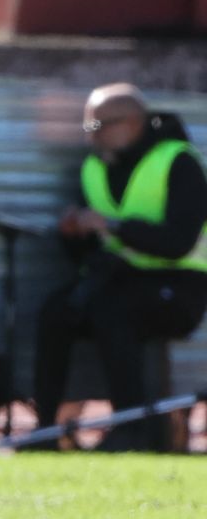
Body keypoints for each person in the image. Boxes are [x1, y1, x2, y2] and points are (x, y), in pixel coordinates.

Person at [32, 83, 207, 451]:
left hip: (179, 287)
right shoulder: (94, 168)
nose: (90, 137)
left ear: (132, 122)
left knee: (114, 312)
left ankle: (130, 428)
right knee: (55, 312)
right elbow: (86, 253)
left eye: (97, 127)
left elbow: (178, 242)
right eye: (86, 127)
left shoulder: (179, 162)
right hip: (116, 280)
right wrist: (74, 234)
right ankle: (45, 429)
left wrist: (112, 225)